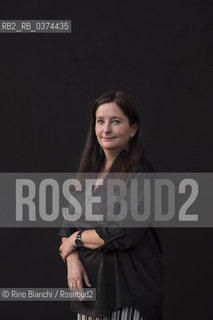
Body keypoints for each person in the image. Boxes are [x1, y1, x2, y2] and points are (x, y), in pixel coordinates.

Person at [59, 90, 163, 320]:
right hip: (91, 294)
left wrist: (76, 240)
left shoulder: (141, 174)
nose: (106, 129)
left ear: (132, 129)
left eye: (115, 121)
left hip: (127, 294)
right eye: (100, 121)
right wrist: (72, 260)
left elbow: (123, 232)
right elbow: (68, 225)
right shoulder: (89, 171)